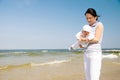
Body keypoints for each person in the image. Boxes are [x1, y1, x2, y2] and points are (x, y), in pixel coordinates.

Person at [81, 8, 104, 80]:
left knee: (94, 77)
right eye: (87, 18)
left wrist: (84, 39)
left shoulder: (99, 25)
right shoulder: (87, 28)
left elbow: (96, 39)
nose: (88, 20)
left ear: (95, 17)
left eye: (90, 18)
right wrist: (82, 44)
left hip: (95, 53)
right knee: (88, 78)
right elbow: (86, 42)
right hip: (87, 53)